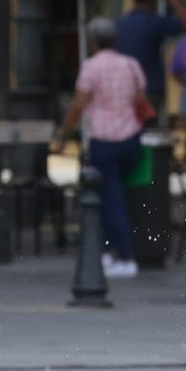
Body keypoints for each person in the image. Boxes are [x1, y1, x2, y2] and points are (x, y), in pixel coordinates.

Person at [54, 17, 148, 279]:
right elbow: (141, 99)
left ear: (93, 41)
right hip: (130, 139)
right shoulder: (131, 65)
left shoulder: (91, 67)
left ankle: (126, 257)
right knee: (110, 195)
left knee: (110, 198)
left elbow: (78, 104)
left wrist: (64, 134)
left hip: (104, 140)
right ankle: (106, 252)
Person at [116, 0, 186, 123]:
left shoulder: (120, 24)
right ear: (153, 1)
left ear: (133, 0)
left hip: (123, 87)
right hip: (151, 87)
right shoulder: (155, 22)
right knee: (149, 134)